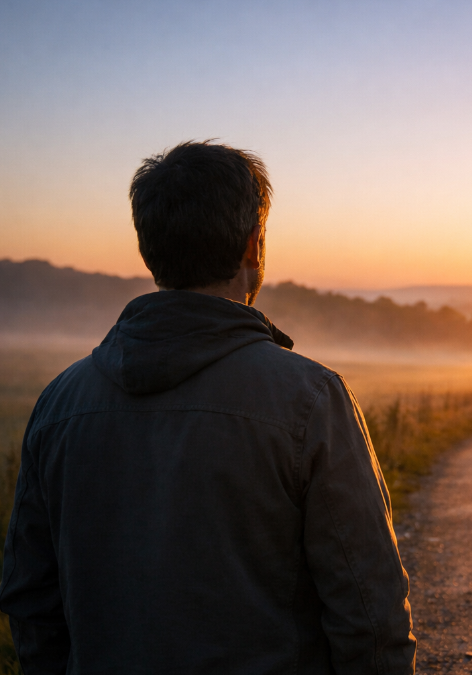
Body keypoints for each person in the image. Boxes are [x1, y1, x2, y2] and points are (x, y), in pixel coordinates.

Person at [0, 141, 416, 673]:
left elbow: (31, 602)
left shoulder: (59, 403)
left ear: (149, 248)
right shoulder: (311, 400)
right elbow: (370, 613)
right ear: (253, 245)